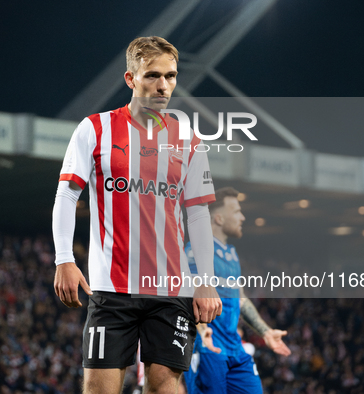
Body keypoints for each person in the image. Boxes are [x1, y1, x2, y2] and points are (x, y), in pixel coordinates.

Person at [52, 36, 222, 394]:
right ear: (130, 78)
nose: (163, 85)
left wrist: (206, 280)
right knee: (99, 389)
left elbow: (199, 215)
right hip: (111, 291)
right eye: (153, 75)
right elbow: (67, 194)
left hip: (172, 291)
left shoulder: (189, 141)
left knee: (166, 388)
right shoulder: (94, 129)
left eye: (171, 76)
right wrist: (64, 259)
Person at [183, 187, 291, 394]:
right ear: (220, 219)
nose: (242, 217)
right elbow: (190, 297)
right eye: (236, 211)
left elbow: (240, 298)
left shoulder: (231, 254)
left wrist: (265, 331)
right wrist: (202, 331)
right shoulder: (197, 251)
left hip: (235, 348)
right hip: (209, 348)